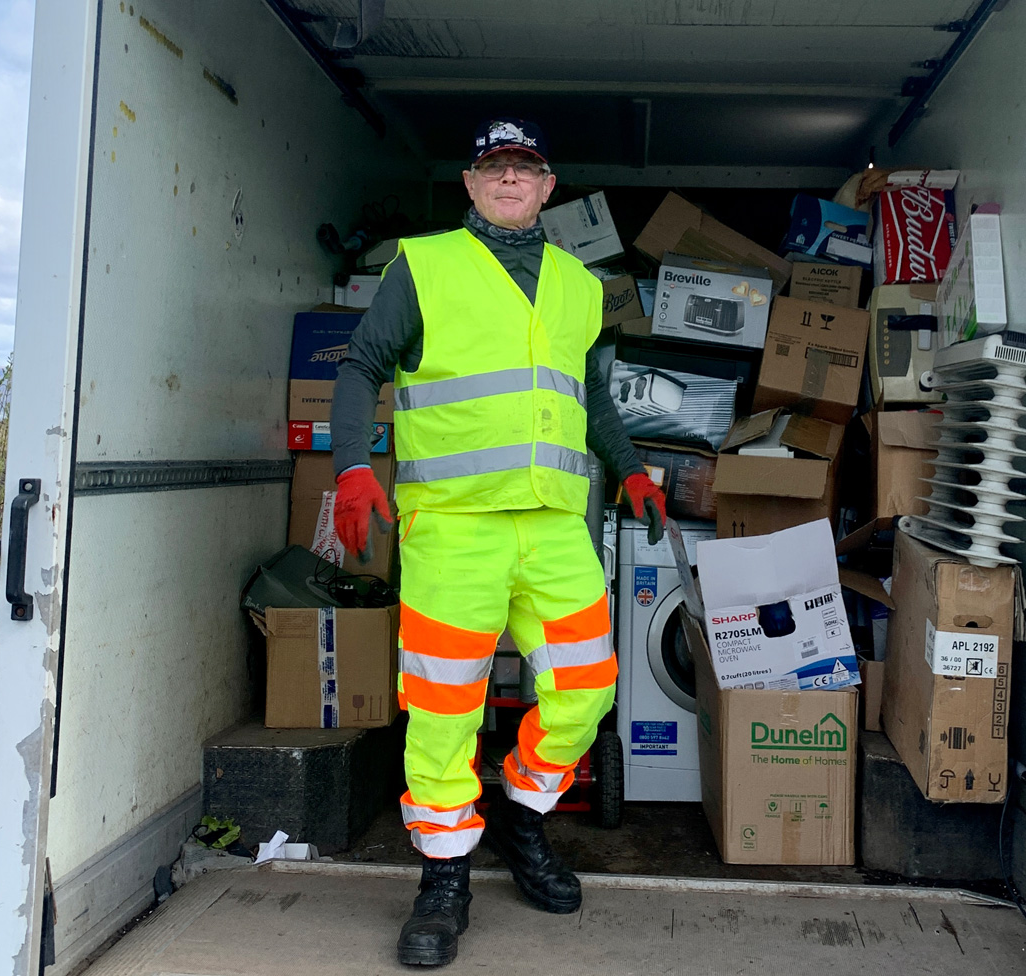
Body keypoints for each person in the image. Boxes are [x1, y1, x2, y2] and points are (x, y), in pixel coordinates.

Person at [329, 117, 667, 967]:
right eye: (494, 166)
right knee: (443, 707)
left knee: (586, 692)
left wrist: (628, 470)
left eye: (526, 166)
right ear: (472, 184)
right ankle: (444, 875)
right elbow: (360, 366)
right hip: (452, 527)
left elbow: (592, 393)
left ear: (548, 187)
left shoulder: (579, 285)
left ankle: (520, 814)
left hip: (554, 527)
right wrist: (349, 468)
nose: (510, 177)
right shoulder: (426, 264)